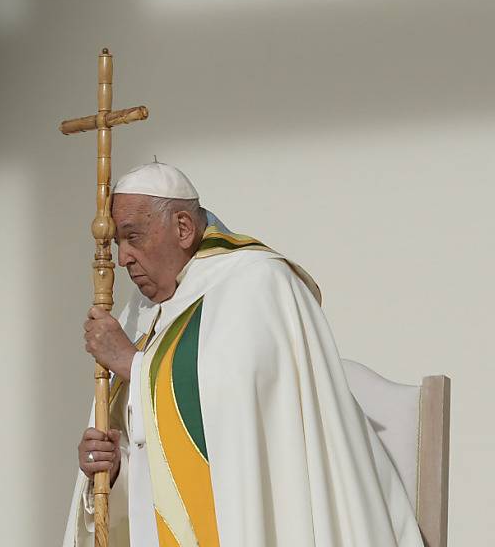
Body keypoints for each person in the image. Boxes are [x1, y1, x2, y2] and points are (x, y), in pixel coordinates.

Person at [62, 163, 423, 547]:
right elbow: (156, 450)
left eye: (133, 237)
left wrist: (132, 364)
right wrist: (114, 465)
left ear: (183, 228)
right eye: (118, 242)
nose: (122, 258)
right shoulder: (142, 312)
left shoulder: (256, 281)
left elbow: (231, 414)